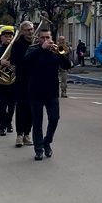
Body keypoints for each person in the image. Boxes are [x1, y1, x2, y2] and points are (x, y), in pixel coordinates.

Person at [23, 29, 69, 160]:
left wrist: (60, 54)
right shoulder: (33, 50)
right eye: (42, 37)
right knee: (37, 122)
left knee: (54, 119)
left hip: (52, 92)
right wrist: (41, 49)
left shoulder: (55, 51)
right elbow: (25, 62)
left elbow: (67, 65)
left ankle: (47, 142)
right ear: (38, 39)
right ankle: (38, 149)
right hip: (35, 92)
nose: (45, 40)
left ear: (51, 38)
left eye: (47, 37)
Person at [3, 22, 36, 146]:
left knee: (31, 109)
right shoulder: (17, 44)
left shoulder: (37, 44)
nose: (30, 32)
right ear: (22, 31)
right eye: (27, 30)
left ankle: (27, 134)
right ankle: (19, 134)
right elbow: (15, 61)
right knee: (21, 108)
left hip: (34, 80)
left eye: (32, 29)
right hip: (21, 80)